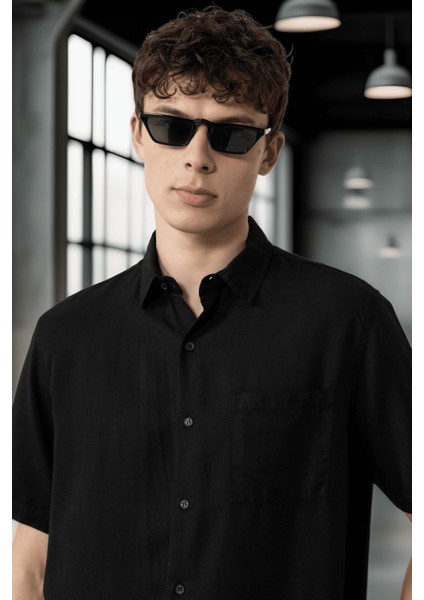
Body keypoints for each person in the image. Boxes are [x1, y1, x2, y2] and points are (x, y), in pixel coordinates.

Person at [12, 5, 411, 600]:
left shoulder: (350, 323)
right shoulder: (65, 337)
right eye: (172, 126)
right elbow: (31, 553)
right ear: (137, 134)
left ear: (268, 153)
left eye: (231, 134)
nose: (197, 158)